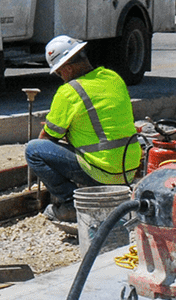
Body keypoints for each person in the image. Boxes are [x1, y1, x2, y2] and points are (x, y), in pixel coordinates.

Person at [24, 36, 143, 223]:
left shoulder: (69, 92)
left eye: (59, 73)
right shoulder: (113, 77)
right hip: (128, 168)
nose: (61, 77)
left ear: (68, 68)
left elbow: (46, 139)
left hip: (104, 172)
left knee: (33, 150)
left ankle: (72, 205)